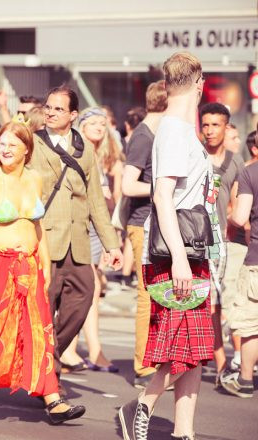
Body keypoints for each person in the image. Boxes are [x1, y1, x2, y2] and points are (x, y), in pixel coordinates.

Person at [119, 52, 220, 440]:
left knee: (194, 347)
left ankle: (184, 432)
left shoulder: (176, 129)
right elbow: (162, 197)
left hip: (189, 251)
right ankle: (141, 405)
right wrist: (179, 258)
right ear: (199, 84)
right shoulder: (176, 132)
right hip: (177, 253)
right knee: (182, 345)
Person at [0, 121, 85, 426]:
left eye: (12, 145)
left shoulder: (34, 179)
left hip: (29, 266)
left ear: (26, 150)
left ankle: (52, 398)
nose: (4, 149)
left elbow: (36, 226)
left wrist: (44, 265)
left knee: (37, 331)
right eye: (1, 143)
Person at [28, 85, 123, 384]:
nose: (51, 112)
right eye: (49, 107)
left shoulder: (85, 146)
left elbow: (95, 197)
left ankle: (48, 354)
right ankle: (46, 376)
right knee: (45, 306)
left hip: (78, 241)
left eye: (59, 109)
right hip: (45, 239)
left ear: (73, 114)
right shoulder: (33, 143)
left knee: (83, 298)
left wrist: (112, 244)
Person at [60, 106, 123, 373]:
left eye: (103, 123)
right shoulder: (75, 151)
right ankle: (74, 349)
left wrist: (114, 236)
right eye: (93, 122)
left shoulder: (110, 157)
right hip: (78, 224)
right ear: (81, 126)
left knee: (89, 288)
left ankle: (82, 350)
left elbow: (116, 198)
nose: (99, 126)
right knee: (87, 287)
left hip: (101, 226)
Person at [121, 80, 168, 389]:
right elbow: (128, 185)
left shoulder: (154, 134)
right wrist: (163, 189)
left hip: (153, 223)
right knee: (147, 295)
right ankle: (143, 365)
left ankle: (152, 360)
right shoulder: (143, 137)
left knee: (156, 295)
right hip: (143, 223)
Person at [200, 102, 245, 382]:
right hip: (194, 239)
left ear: (226, 127)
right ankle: (219, 364)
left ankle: (233, 363)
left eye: (216, 125)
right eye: (205, 124)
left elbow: (238, 203)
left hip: (223, 242)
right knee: (208, 304)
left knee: (225, 302)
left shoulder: (235, 161)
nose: (209, 130)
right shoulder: (194, 155)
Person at [222, 151, 258, 398]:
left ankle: (245, 380)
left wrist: (231, 218)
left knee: (250, 323)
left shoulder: (250, 172)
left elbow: (241, 216)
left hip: (256, 259)